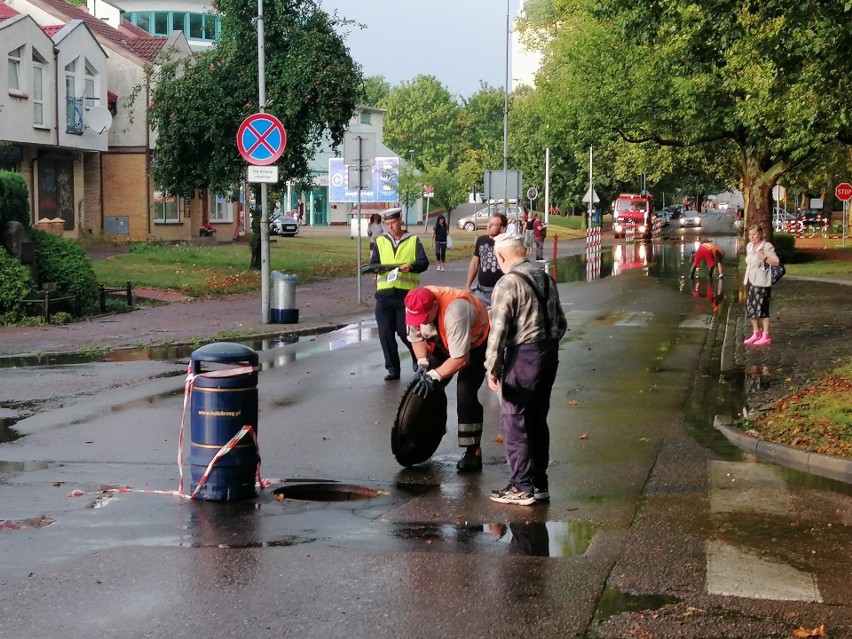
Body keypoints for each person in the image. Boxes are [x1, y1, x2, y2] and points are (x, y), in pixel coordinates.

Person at [484, 232, 567, 506]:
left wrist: (492, 368)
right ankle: (539, 483)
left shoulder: (507, 284)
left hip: (523, 356)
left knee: (514, 421)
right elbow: (561, 322)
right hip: (548, 353)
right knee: (536, 420)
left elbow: (497, 331)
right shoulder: (545, 277)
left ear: (501, 255)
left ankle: (522, 486)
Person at [404, 286, 490, 472]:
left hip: (475, 344)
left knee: (465, 390)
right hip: (444, 341)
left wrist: (435, 375)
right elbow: (416, 337)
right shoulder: (414, 303)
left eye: (424, 317)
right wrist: (422, 364)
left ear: (435, 306)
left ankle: (473, 452)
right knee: (424, 387)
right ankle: (430, 431)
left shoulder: (456, 310)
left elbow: (460, 359)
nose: (420, 322)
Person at [369, 208, 430, 380]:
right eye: (387, 224)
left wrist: (411, 266)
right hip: (384, 295)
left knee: (405, 333)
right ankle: (393, 369)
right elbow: (374, 263)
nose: (390, 227)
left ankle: (417, 357)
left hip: (406, 296)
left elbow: (423, 262)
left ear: (400, 220)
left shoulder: (412, 240)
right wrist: (376, 269)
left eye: (393, 223)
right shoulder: (380, 241)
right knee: (385, 333)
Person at [743, 224, 780, 347]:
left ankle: (766, 335)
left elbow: (776, 262)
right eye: (750, 235)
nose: (752, 237)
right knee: (751, 308)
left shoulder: (766, 246)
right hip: (750, 280)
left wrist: (764, 257)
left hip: (762, 281)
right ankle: (756, 333)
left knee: (762, 308)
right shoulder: (749, 246)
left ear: (760, 234)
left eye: (754, 234)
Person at [465, 213, 507, 307]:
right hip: (481, 292)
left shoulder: (506, 243)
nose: (489, 226)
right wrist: (468, 285)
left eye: (494, 225)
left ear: (502, 228)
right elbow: (475, 263)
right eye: (489, 223)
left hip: (501, 292)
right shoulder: (481, 240)